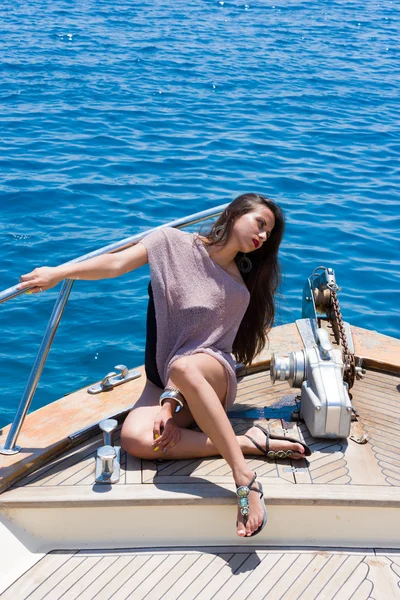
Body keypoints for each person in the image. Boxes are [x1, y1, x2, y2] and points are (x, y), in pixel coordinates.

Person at [18, 193, 310, 538]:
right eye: (260, 223)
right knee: (135, 440)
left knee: (185, 368)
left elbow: (208, 351)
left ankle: (244, 478)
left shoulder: (238, 289)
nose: (262, 236)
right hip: (165, 380)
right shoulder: (170, 242)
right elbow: (115, 264)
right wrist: (59, 273)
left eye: (268, 233)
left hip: (209, 374)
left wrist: (170, 406)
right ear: (234, 214)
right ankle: (248, 441)